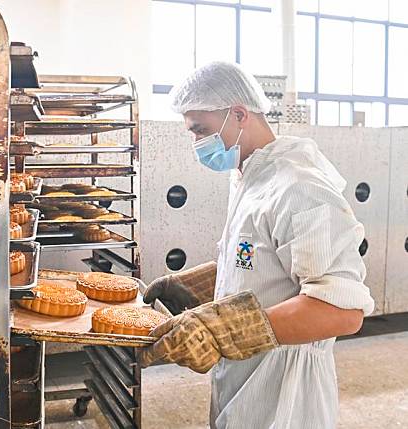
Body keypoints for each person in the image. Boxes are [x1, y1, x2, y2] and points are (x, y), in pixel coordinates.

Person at [139, 61, 374, 429]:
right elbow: (259, 258)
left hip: (286, 393)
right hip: (243, 378)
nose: (196, 143)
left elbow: (341, 310)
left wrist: (223, 328)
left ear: (238, 114)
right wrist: (202, 283)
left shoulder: (300, 186)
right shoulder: (251, 176)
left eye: (200, 130)